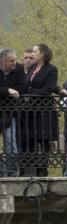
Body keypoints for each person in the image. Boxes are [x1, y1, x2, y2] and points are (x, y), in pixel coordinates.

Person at [21, 43, 59, 177]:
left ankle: (42, 172)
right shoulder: (32, 67)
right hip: (30, 112)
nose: (32, 54)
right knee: (29, 142)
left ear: (42, 53)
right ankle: (31, 174)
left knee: (43, 142)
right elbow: (25, 85)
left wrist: (31, 93)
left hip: (44, 112)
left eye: (35, 51)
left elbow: (49, 89)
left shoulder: (51, 69)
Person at [0, 47, 26, 177]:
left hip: (9, 112)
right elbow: (12, 91)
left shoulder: (19, 69)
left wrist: (5, 91)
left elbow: (22, 87)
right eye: (11, 61)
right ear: (2, 61)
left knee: (11, 144)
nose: (14, 63)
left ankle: (12, 173)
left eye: (15, 60)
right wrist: (7, 91)